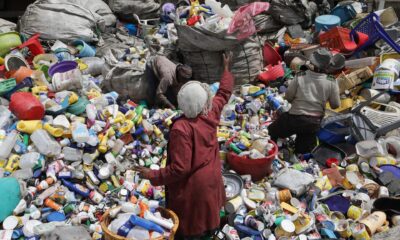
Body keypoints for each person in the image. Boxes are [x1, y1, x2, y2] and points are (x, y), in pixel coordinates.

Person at [135, 53, 234, 239]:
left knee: (191, 224)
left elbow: (180, 169)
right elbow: (224, 93)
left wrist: (152, 175)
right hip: (211, 179)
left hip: (194, 188)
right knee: (207, 217)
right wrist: (226, 70)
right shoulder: (210, 113)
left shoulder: (181, 129)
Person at [268, 48, 344, 154]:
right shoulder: (331, 80)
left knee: (271, 132)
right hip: (313, 123)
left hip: (294, 119)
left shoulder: (301, 75)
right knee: (302, 152)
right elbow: (335, 105)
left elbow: (288, 97)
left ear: (312, 62)